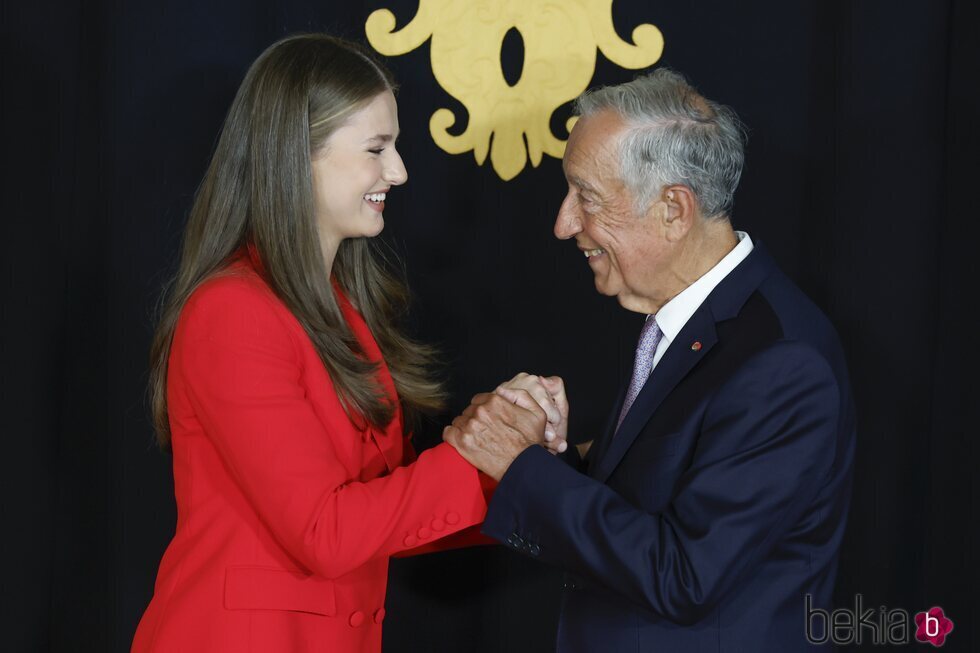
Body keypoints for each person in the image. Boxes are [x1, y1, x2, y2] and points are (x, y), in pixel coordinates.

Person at [132, 34, 563, 653]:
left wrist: (520, 459)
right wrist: (478, 448)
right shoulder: (232, 312)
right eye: (376, 149)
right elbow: (326, 532)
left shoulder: (337, 309)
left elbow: (388, 516)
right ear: (294, 155)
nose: (399, 171)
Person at [444, 69, 856, 651]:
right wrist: (550, 457)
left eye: (585, 196)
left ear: (673, 209)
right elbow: (647, 502)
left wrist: (519, 466)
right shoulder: (682, 318)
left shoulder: (784, 362)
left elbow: (685, 576)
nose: (563, 224)